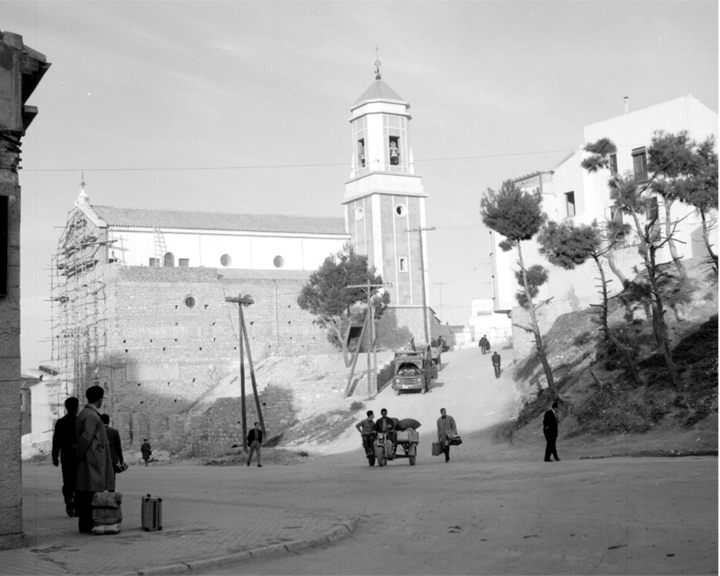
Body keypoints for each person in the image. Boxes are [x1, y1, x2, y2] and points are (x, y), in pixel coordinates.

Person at [74, 385, 115, 533]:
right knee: (91, 494)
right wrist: (79, 454)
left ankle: (87, 524)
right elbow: (86, 438)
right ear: (99, 399)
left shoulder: (86, 413)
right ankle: (88, 525)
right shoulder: (91, 415)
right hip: (92, 460)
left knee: (87, 493)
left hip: (90, 459)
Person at [52, 397, 79, 517]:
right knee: (79, 480)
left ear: (66, 408)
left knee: (67, 479)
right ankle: (77, 505)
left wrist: (55, 456)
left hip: (65, 455)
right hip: (78, 456)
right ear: (77, 408)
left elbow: (56, 441)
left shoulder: (60, 422)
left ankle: (68, 498)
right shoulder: (79, 421)